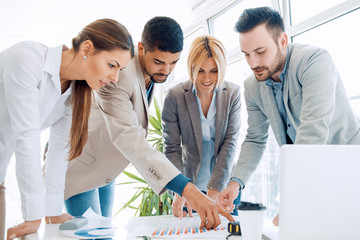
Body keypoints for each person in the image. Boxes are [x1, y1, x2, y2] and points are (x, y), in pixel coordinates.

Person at [64, 16, 234, 230]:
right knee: (91, 235)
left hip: (107, 171)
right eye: (159, 62)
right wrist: (188, 191)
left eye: (173, 62)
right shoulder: (119, 75)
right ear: (142, 48)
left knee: (103, 234)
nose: (166, 70)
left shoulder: (151, 74)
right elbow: (130, 139)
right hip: (82, 168)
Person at [218, 6, 360, 223]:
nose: (253, 63)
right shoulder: (252, 86)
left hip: (350, 164)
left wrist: (296, 197)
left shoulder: (314, 61)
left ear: (282, 41)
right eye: (246, 54)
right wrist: (235, 182)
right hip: (315, 174)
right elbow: (255, 138)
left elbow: (313, 128)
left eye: (260, 51)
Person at [0, 18, 134, 240]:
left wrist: (51, 212)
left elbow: (59, 150)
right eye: (112, 65)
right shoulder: (26, 59)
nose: (115, 78)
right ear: (87, 48)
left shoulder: (75, 92)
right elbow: (27, 137)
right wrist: (33, 215)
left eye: (120, 69)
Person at [162, 35, 241, 218]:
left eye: (214, 71)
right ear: (191, 68)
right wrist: (180, 189)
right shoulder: (175, 96)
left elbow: (230, 143)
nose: (206, 78)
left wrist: (214, 193)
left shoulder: (232, 94)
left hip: (223, 186)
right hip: (190, 188)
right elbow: (172, 147)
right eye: (200, 71)